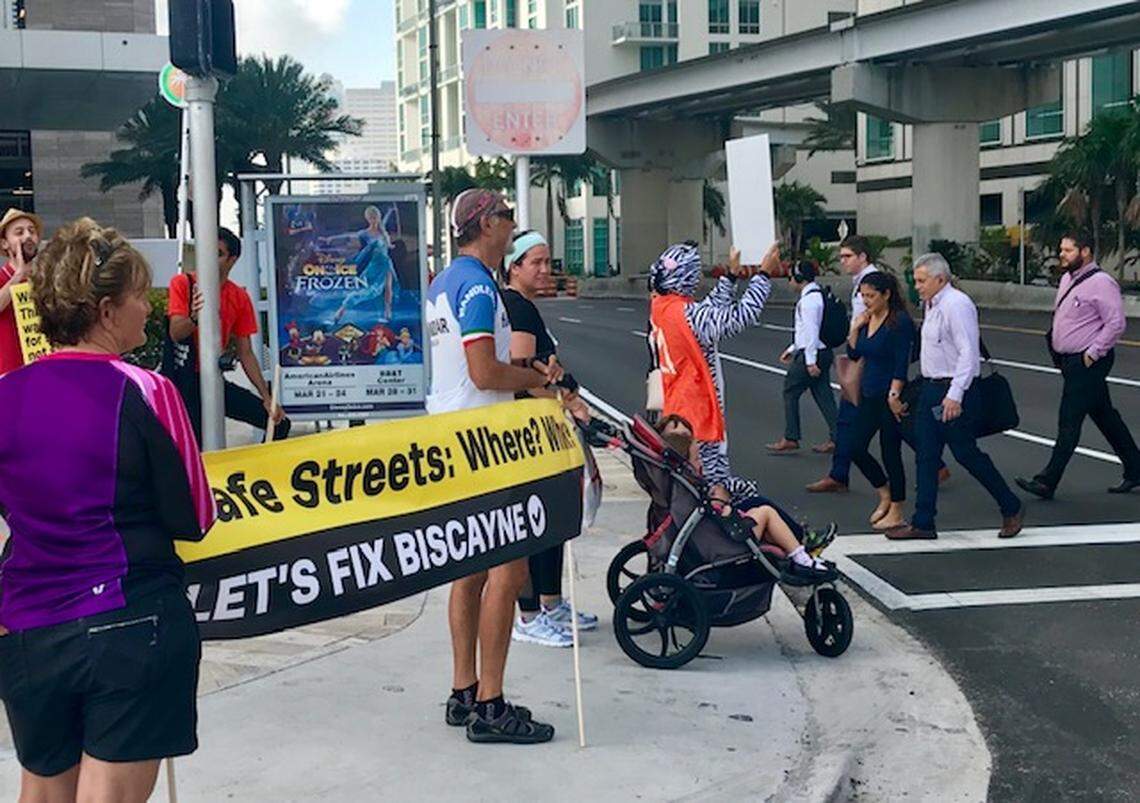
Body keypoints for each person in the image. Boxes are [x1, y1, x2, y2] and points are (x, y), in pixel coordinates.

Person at [0, 218, 213, 802]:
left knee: (41, 794)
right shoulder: (148, 389)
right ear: (103, 309)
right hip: (130, 617)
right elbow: (195, 516)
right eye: (136, 298)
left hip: (27, 628)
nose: (146, 310)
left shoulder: (4, 393)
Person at [426, 189, 562, 744]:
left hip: (451, 438)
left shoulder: (443, 281)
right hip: (484, 445)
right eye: (507, 217)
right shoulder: (480, 285)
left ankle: (464, 690)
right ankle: (491, 704)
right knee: (509, 571)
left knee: (468, 570)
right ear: (485, 224)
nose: (512, 226)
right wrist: (537, 377)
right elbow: (484, 372)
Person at [499, 230, 597, 649]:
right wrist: (567, 399)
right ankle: (529, 614)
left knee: (551, 520)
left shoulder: (523, 306)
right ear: (514, 267)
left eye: (547, 262)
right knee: (536, 521)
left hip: (538, 428)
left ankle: (550, 602)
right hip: (529, 429)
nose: (544, 270)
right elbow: (524, 372)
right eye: (534, 262)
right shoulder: (518, 308)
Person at [886, 253, 1023, 541]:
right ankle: (923, 522)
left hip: (955, 390)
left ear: (940, 279)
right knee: (926, 455)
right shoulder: (932, 304)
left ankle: (1011, 506)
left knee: (965, 453)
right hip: (932, 389)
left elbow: (968, 353)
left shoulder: (956, 305)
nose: (918, 286)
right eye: (916, 280)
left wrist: (955, 395)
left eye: (922, 281)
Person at [807, 235, 948, 493]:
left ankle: (907, 482)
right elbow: (858, 341)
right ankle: (843, 474)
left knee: (884, 436)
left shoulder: (877, 290)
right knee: (860, 430)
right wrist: (855, 333)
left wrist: (894, 389)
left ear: (863, 257)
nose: (843, 261)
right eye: (841, 257)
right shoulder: (861, 286)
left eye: (847, 256)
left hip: (878, 379)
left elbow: (896, 353)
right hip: (868, 372)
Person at [649, 240, 783, 486]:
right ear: (686, 277)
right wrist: (764, 274)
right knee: (713, 487)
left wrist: (731, 276)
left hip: (678, 406)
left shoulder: (663, 308)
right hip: (698, 413)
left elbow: (707, 313)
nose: (700, 277)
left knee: (693, 483)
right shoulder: (691, 315)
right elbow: (741, 316)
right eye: (696, 272)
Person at [1016, 233, 1140, 498]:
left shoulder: (1101, 283)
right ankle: (1136, 469)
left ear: (1085, 252)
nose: (1062, 254)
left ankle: (1047, 481)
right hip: (1070, 361)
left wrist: (1093, 353)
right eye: (1062, 249)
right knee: (1106, 417)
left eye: (1069, 250)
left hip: (1088, 363)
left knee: (1069, 420)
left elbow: (1116, 323)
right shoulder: (1066, 280)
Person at [660, 428, 834, 583]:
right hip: (723, 541)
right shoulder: (690, 483)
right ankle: (801, 558)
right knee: (766, 512)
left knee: (760, 510)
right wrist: (723, 506)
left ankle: (798, 549)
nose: (701, 462)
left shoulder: (680, 483)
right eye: (697, 458)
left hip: (710, 533)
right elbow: (712, 508)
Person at [167, 227, 290, 443]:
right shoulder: (183, 283)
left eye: (218, 254)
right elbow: (176, 332)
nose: (209, 260)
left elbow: (246, 352)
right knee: (194, 443)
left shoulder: (239, 296)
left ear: (232, 260)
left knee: (278, 423)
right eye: (206, 252)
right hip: (182, 381)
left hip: (214, 379)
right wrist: (196, 317)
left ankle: (256, 473)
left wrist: (266, 397)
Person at [844, 272, 914, 530]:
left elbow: (901, 363)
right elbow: (853, 352)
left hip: (889, 395)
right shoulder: (867, 319)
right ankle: (883, 491)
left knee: (890, 452)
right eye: (863, 296)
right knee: (854, 447)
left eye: (871, 296)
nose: (866, 301)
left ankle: (897, 508)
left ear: (887, 294)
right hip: (868, 393)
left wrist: (895, 394)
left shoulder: (899, 322)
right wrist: (855, 327)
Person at [768, 260, 837, 454]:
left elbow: (812, 332)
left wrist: (810, 361)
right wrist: (792, 348)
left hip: (812, 352)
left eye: (791, 278)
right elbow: (807, 332)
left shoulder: (808, 301)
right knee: (823, 394)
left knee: (790, 390)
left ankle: (791, 437)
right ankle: (838, 436)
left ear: (799, 279)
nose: (789, 281)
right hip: (822, 351)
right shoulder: (820, 295)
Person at [332, 205, 398, 324]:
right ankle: (340, 311)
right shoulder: (365, 233)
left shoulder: (383, 232)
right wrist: (331, 239)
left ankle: (388, 311)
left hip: (386, 263)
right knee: (363, 289)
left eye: (376, 217)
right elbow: (349, 236)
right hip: (374, 264)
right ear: (368, 219)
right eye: (372, 218)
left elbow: (387, 245)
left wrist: (391, 246)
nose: (374, 220)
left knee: (388, 288)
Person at [0, 208, 43, 376]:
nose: (27, 236)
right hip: (7, 375)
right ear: (4, 243)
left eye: (31, 231)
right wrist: (18, 276)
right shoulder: (3, 278)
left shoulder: (45, 281)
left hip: (41, 373)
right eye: (19, 232)